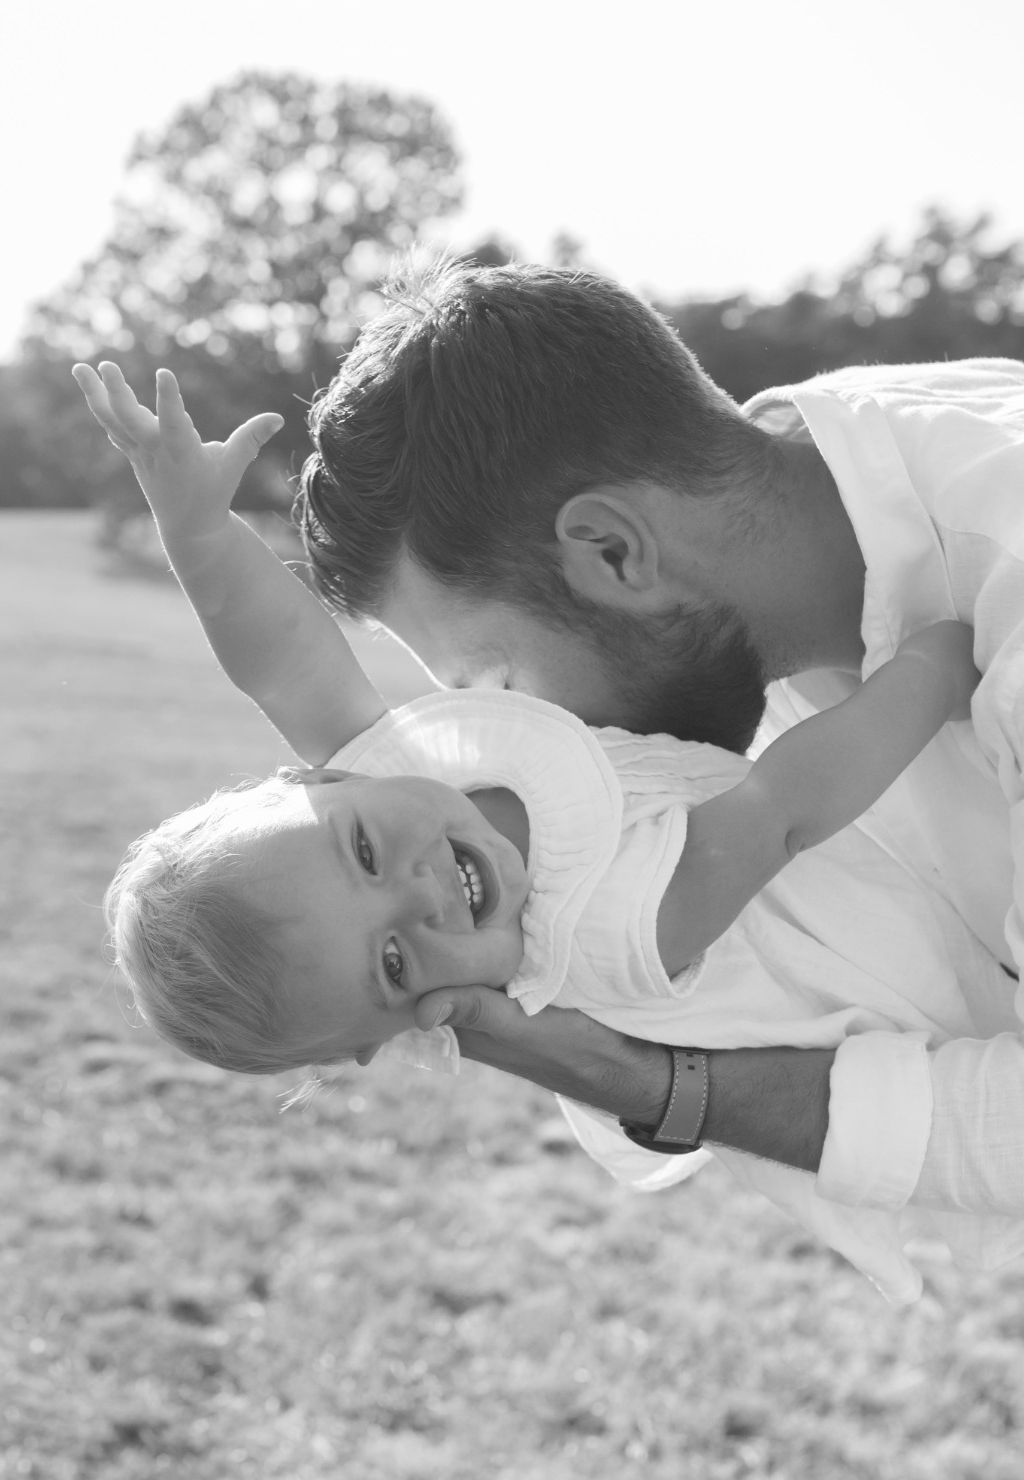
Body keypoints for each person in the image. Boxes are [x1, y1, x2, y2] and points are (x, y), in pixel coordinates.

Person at [74, 360, 1015, 1299]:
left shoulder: (401, 776)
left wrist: (194, 526)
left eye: (364, 854)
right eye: (396, 964)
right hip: (900, 955)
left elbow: (282, 663)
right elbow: (781, 812)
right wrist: (926, 674)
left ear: (316, 776)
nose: (422, 895)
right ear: (404, 1030)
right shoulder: (595, 929)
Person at [299, 255, 1024, 1229]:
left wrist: (658, 1086)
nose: (532, 740)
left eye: (499, 685)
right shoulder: (823, 486)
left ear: (612, 552)